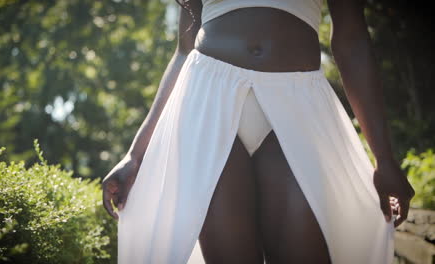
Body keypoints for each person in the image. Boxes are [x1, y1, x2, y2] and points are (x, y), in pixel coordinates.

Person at [102, 0, 415, 263]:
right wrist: (136, 153)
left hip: (299, 106)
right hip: (206, 103)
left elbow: (352, 39)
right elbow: (184, 51)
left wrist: (384, 158)